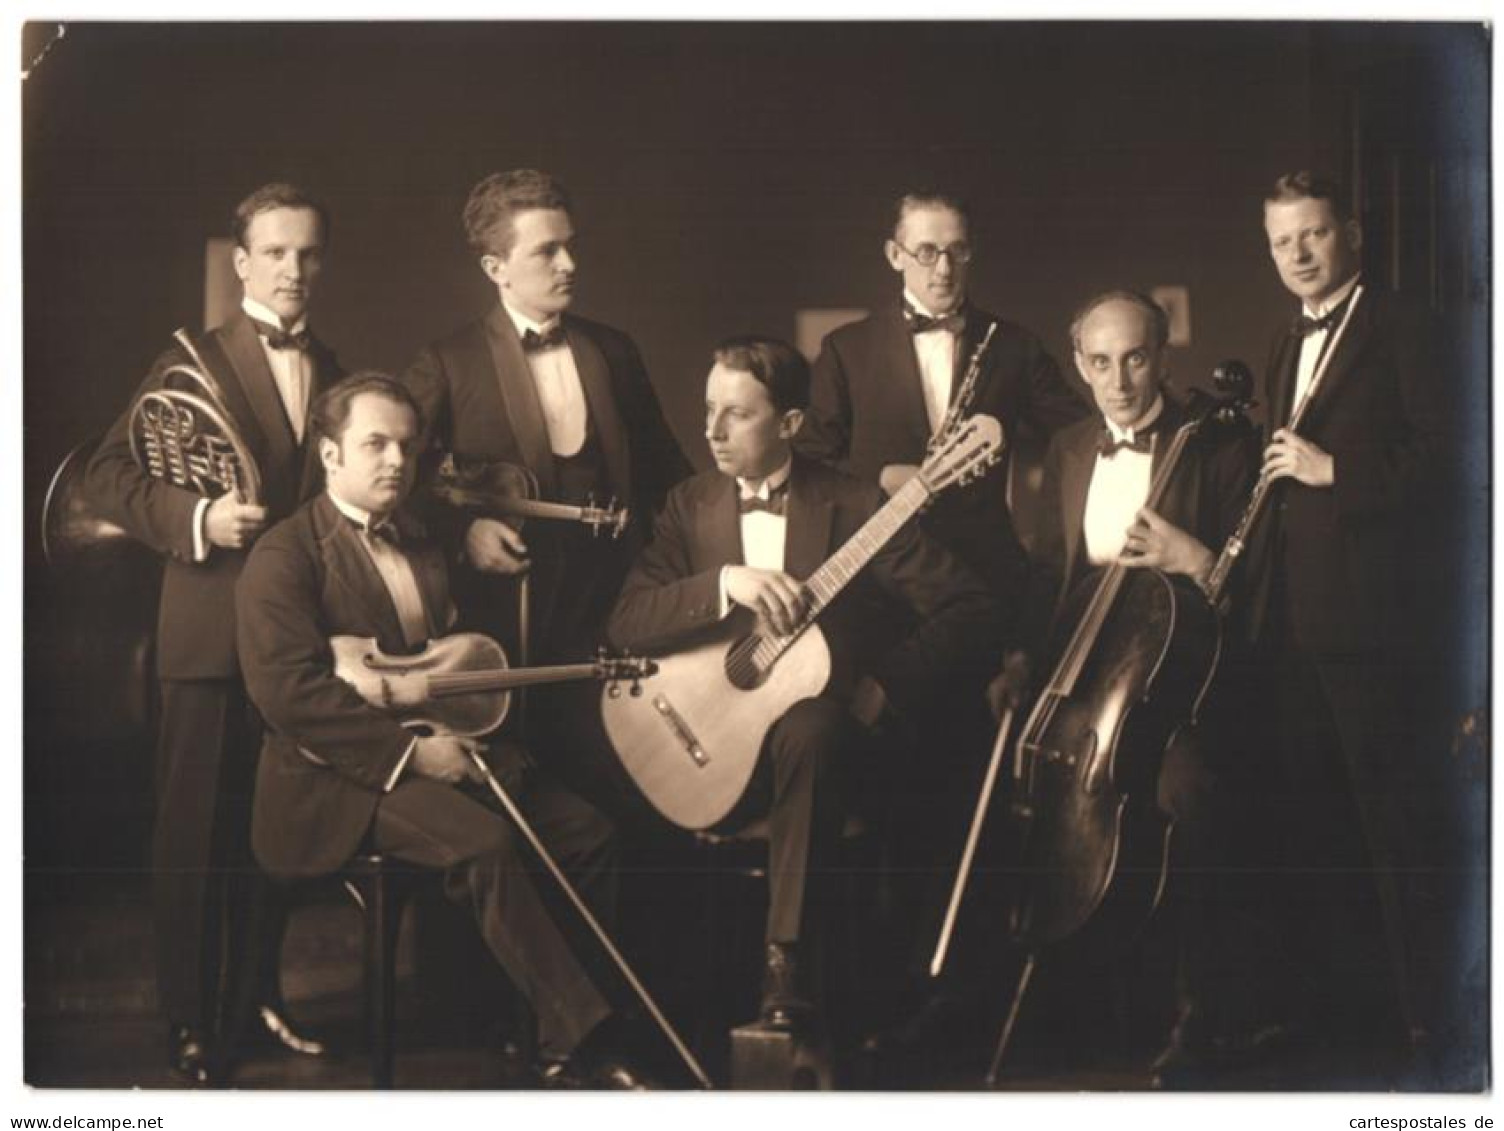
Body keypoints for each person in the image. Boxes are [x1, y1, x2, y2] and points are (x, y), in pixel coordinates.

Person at [235, 373, 659, 1089]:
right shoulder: (284, 554)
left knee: (587, 830)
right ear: (331, 454)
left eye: (406, 444)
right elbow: (288, 694)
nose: (396, 460)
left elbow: (431, 657)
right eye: (375, 444)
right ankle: (588, 1041)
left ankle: (542, 1024)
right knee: (486, 843)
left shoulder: (421, 537)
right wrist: (413, 754)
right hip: (333, 781)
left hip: (430, 740)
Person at [605, 336, 998, 1034]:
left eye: (738, 414)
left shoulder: (853, 505)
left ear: (789, 424)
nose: (712, 431)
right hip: (712, 745)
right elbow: (629, 620)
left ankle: (788, 964)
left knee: (811, 725)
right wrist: (726, 583)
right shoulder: (689, 505)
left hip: (825, 758)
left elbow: (971, 605)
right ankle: (655, 1013)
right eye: (708, 410)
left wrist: (886, 682)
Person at [796, 191, 1086, 1061]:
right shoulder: (845, 350)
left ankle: (954, 1010)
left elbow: (1085, 432)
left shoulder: (1013, 346)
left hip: (982, 602)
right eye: (926, 252)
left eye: (957, 251)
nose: (944, 268)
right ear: (894, 255)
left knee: (967, 811)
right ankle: (874, 1007)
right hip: (883, 606)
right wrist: (886, 475)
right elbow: (811, 461)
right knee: (881, 806)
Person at [84, 183, 338, 1084]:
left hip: (292, 643)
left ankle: (253, 1003)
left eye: (308, 253)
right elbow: (108, 476)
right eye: (276, 253)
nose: (295, 269)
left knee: (275, 831)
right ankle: (191, 1023)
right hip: (203, 634)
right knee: (194, 835)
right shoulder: (191, 357)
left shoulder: (336, 367)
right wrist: (198, 516)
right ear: (243, 265)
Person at [989, 291, 1258, 1082]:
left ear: (1163, 357)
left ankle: (1196, 1016)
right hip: (1084, 678)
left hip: (1180, 683)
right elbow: (1049, 577)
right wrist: (1016, 663)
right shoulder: (1071, 448)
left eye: (1136, 358)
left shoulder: (1217, 446)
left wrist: (1196, 558)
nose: (1120, 380)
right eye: (1101, 362)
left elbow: (1261, 585)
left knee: (1187, 795)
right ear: (1079, 365)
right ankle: (1066, 1003)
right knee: (1034, 799)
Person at [1238, 171, 1449, 1081]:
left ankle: (1436, 1031)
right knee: (1317, 829)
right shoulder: (1286, 338)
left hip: (1375, 629)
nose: (1299, 253)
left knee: (1400, 830)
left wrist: (1337, 470)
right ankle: (1351, 1025)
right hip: (1297, 621)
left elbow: (1462, 464)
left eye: (1314, 233)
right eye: (1283, 240)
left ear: (1351, 232)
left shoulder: (1411, 325)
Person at [400, 168, 688, 676]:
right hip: (514, 608)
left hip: (622, 599)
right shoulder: (448, 361)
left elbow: (669, 473)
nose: (569, 264)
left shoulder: (615, 350)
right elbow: (400, 485)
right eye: (546, 251)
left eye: (569, 246)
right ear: (496, 267)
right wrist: (463, 533)